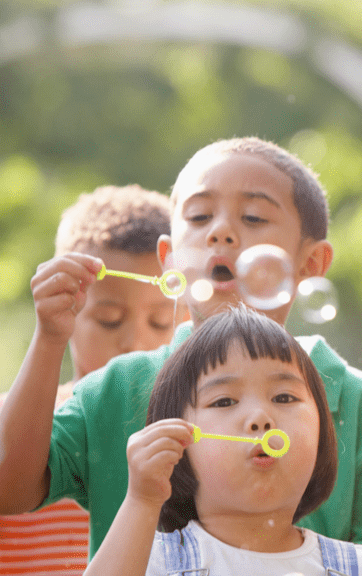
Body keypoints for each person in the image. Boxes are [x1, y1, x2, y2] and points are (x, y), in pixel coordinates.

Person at [0, 137, 362, 576]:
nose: (220, 232)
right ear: (168, 259)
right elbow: (11, 491)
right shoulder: (118, 388)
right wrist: (49, 340)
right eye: (200, 216)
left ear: (311, 262)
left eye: (254, 217)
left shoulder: (353, 399)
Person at [82, 306, 362, 576]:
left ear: (322, 432)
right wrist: (142, 500)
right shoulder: (149, 563)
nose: (260, 417)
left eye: (284, 397)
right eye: (224, 401)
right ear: (180, 442)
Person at [0, 185, 186, 575]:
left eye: (159, 321)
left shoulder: (193, 437)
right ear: (65, 305)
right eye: (109, 320)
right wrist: (48, 338)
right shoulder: (21, 426)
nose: (135, 342)